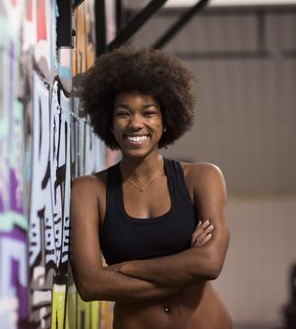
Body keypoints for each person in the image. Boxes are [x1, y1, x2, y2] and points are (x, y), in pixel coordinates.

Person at [70, 47, 231, 328]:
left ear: (166, 120)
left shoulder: (202, 177)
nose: (135, 124)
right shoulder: (88, 190)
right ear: (109, 122)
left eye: (148, 113)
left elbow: (209, 263)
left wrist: (124, 269)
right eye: (123, 114)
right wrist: (182, 274)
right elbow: (90, 284)